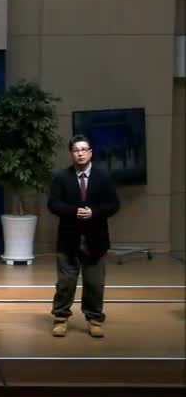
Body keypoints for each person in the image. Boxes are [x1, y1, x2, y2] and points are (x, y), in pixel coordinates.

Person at [48, 135, 120, 338]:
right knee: (65, 282)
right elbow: (53, 204)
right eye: (76, 150)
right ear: (71, 153)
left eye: (84, 149)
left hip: (95, 239)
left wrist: (94, 212)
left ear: (90, 152)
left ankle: (94, 320)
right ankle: (60, 318)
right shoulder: (61, 177)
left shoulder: (103, 176)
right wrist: (73, 211)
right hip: (68, 239)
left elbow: (114, 205)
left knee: (94, 283)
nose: (80, 153)